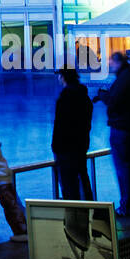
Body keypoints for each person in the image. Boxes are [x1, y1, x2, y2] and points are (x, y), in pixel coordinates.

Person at [96, 52, 130, 217]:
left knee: (124, 169)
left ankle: (127, 207)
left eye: (110, 62)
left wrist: (102, 95)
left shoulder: (124, 79)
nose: (109, 65)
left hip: (121, 130)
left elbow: (114, 101)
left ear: (117, 62)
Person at [52, 68, 94, 200]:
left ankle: (75, 215)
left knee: (69, 184)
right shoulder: (84, 97)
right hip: (81, 145)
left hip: (66, 148)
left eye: (60, 75)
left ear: (63, 78)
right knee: (82, 177)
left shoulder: (65, 97)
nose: (58, 78)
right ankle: (92, 210)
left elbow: (60, 125)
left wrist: (56, 146)